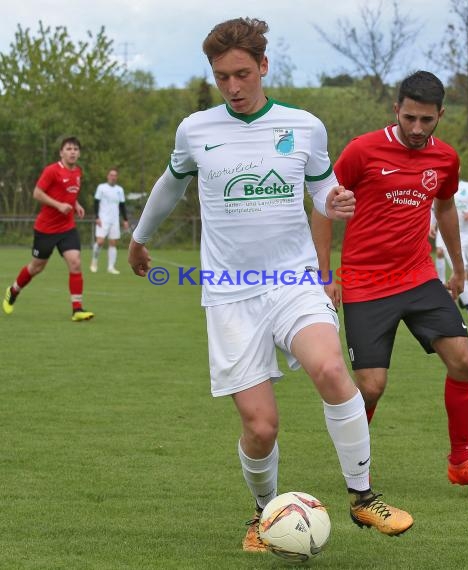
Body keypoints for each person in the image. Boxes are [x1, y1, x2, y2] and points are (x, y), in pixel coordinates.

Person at [128, 17, 413, 553]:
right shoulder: (196, 130)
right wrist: (140, 238)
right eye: (221, 77)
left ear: (263, 66)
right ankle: (264, 515)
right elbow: (171, 184)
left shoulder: (304, 125)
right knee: (261, 428)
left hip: (293, 280)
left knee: (330, 367)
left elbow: (324, 189)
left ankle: (362, 496)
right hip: (230, 295)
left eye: (241, 74)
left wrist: (336, 203)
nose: (233, 87)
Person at [311, 71, 468, 495]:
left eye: (427, 120)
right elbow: (323, 205)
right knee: (370, 386)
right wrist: (326, 274)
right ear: (396, 110)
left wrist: (456, 268)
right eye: (410, 118)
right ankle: (355, 467)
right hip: (365, 281)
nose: (417, 129)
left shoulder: (445, 159)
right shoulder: (362, 150)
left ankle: (461, 461)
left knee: (464, 361)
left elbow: (447, 207)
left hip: (419, 277)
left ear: (440, 115)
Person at [2, 137, 94, 322]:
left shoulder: (77, 171)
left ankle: (77, 309)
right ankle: (13, 291)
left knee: (75, 262)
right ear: (61, 152)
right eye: (69, 148)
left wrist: (76, 204)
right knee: (37, 267)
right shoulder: (52, 170)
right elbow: (37, 193)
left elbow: (68, 192)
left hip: (67, 227)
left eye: (76, 149)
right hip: (46, 229)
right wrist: (59, 205)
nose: (73, 151)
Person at [430, 179, 468, 323]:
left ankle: (464, 292)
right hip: (450, 236)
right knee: (463, 270)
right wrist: (431, 224)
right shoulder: (439, 186)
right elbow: (433, 208)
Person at [90, 168, 130, 274]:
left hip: (115, 220)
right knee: (100, 242)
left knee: (113, 243)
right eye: (111, 175)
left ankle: (111, 267)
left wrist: (125, 220)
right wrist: (97, 217)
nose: (113, 177)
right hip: (103, 219)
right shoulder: (101, 187)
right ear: (108, 176)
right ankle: (94, 262)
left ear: (117, 177)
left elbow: (122, 206)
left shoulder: (119, 189)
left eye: (115, 175)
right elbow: (96, 203)